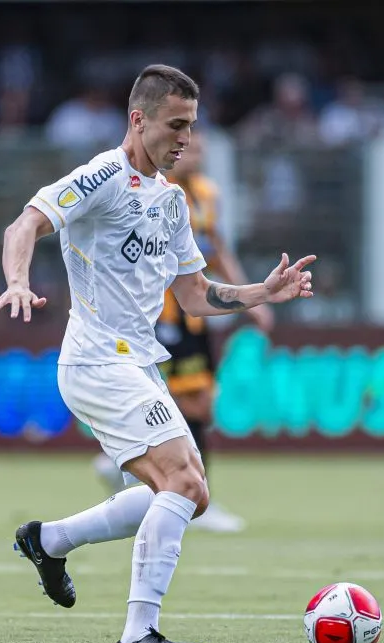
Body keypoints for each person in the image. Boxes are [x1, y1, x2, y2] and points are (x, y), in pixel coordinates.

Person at [0, 64, 315, 643]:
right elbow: (26, 223)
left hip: (137, 363)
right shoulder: (104, 176)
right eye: (176, 125)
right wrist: (16, 281)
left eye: (191, 126)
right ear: (138, 120)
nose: (186, 139)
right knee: (184, 483)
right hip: (96, 360)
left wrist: (261, 294)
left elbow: (195, 293)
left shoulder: (171, 201)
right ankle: (138, 634)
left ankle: (49, 540)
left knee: (186, 493)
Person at [91, 130, 273, 533]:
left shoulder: (206, 194)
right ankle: (187, 494)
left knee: (196, 402)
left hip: (195, 313)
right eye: (189, 149)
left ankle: (138, 468)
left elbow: (217, 249)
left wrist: (253, 298)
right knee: (184, 400)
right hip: (163, 313)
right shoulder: (155, 193)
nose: (195, 156)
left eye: (201, 149)